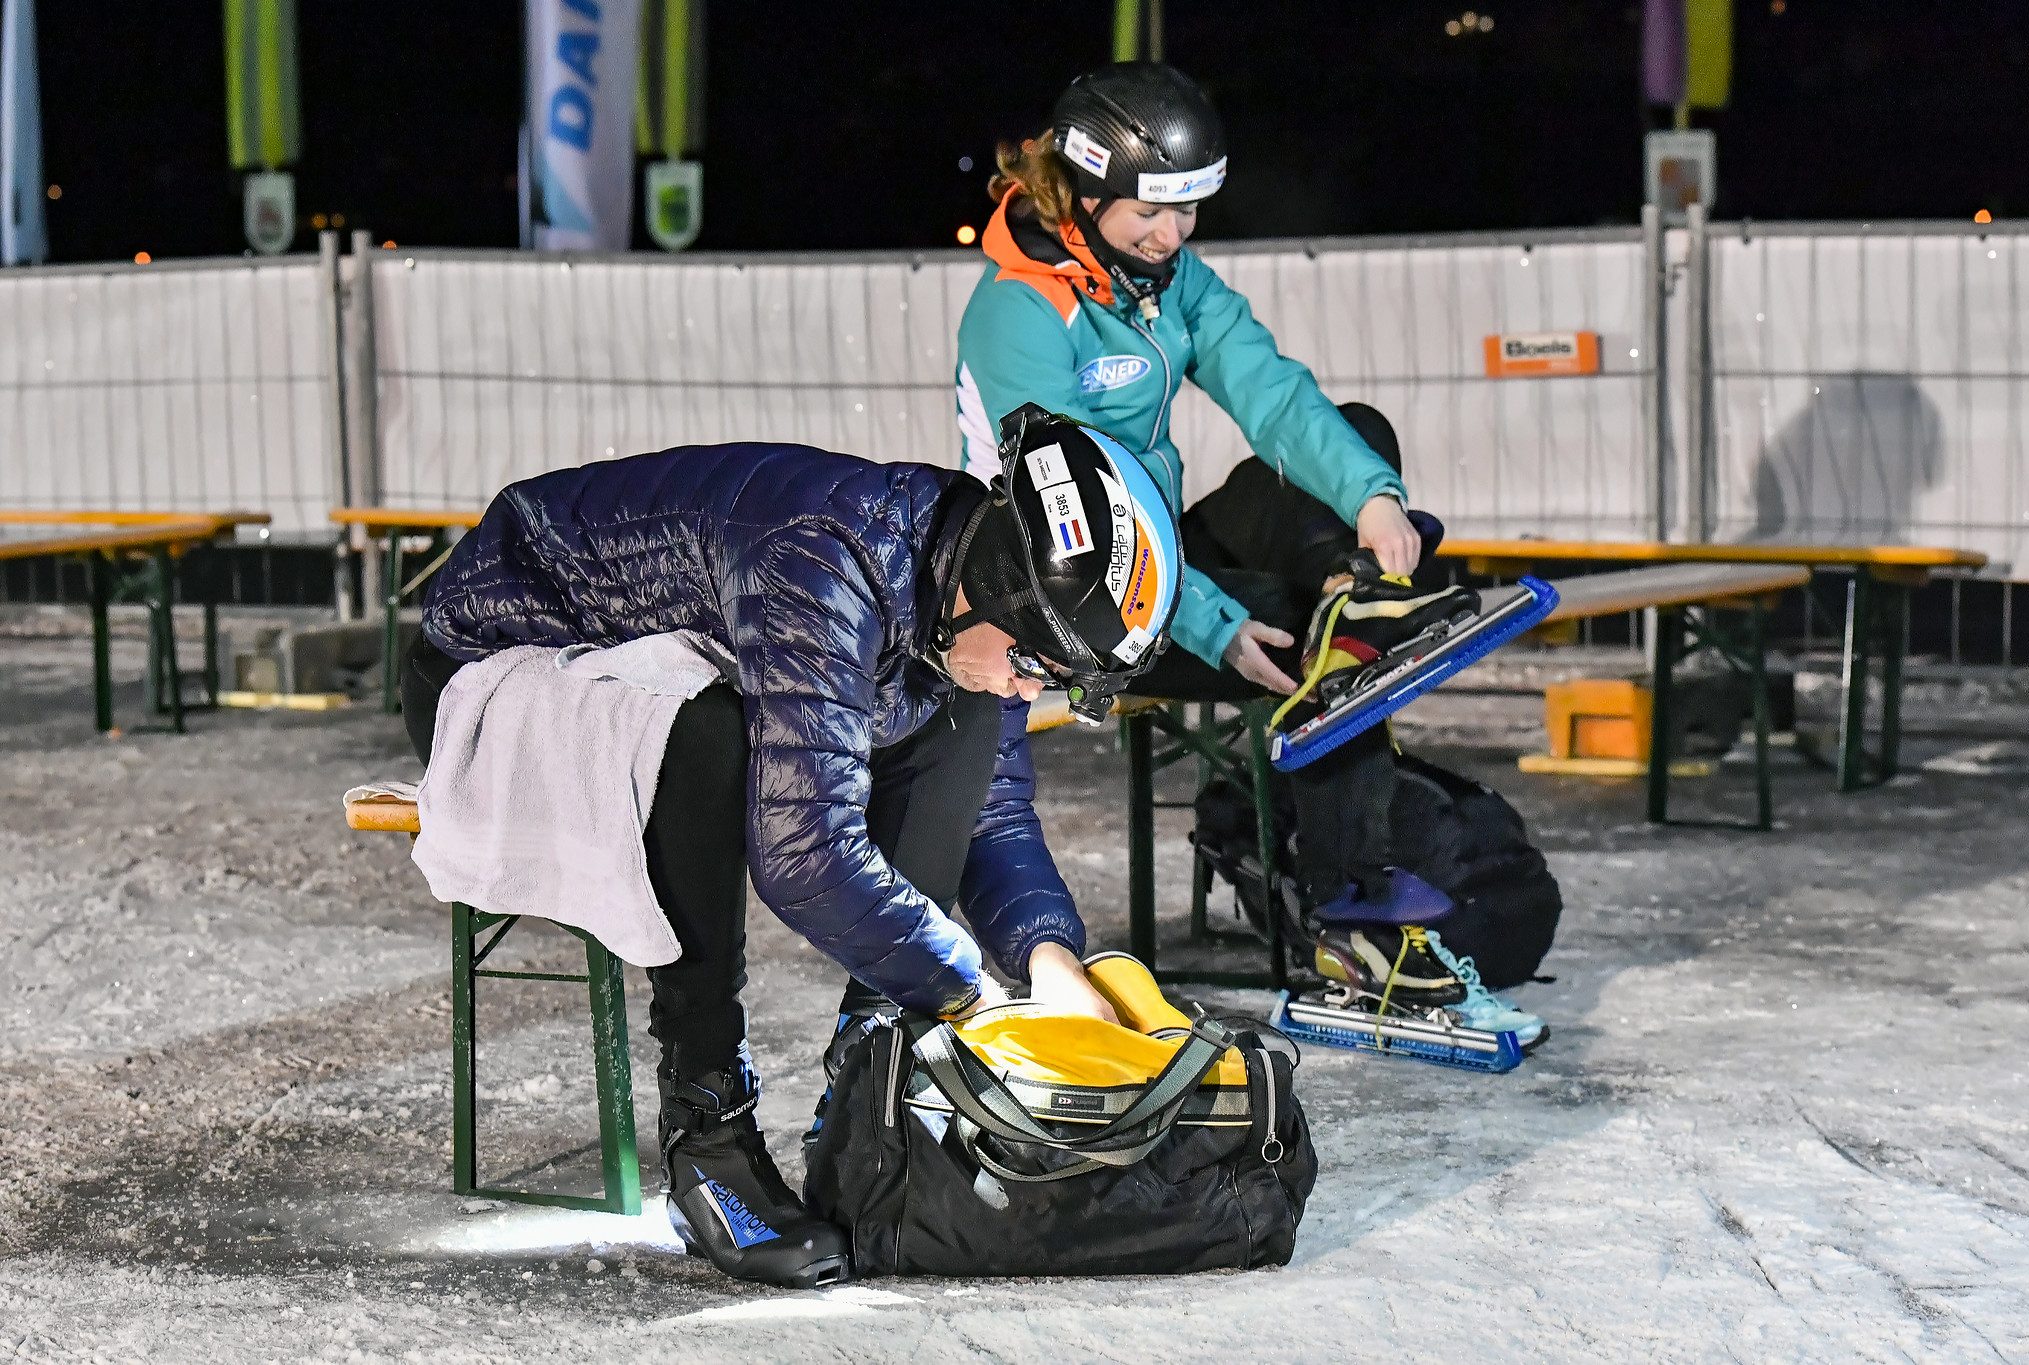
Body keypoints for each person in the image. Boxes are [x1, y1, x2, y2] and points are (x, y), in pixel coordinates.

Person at [403, 405, 1184, 1289]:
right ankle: (707, 1130)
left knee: (959, 712)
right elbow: (802, 851)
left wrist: (1050, 962)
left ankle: (869, 1093)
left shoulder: (961, 591)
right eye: (1034, 664)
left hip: (636, 659)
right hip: (490, 658)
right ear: (999, 589)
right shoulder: (824, 560)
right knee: (703, 734)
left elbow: (993, 812)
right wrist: (970, 990)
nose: (1027, 686)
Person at [955, 61, 1477, 942]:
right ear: (1085, 194)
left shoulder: (1166, 279)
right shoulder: (1019, 315)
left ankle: (1359, 614)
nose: (1173, 233)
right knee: (1280, 619)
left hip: (1160, 548)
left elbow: (1269, 393)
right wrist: (1216, 624)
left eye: (1187, 208)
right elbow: (1081, 516)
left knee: (1357, 435)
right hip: (1073, 593)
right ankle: (1345, 895)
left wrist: (1374, 502)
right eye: (1151, 211)